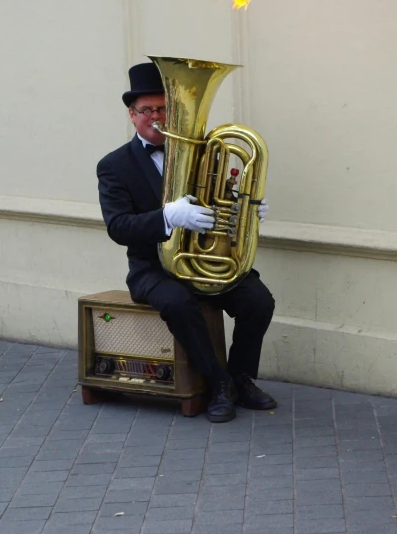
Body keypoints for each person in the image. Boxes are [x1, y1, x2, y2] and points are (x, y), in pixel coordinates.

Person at [97, 62, 277, 423]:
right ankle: (218, 383)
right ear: (132, 116)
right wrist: (167, 217)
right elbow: (118, 227)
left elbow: (218, 200)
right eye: (146, 110)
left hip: (203, 260)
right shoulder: (114, 166)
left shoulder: (201, 150)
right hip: (153, 269)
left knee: (258, 300)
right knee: (179, 304)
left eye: (163, 108)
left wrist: (244, 211)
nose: (156, 116)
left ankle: (241, 378)